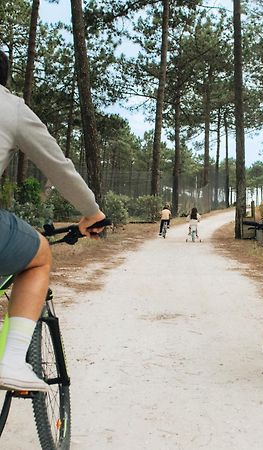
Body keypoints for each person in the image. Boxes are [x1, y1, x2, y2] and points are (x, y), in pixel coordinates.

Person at [0, 50, 106, 391]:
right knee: (39, 253)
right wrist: (91, 211)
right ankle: (13, 360)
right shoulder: (11, 107)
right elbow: (59, 168)